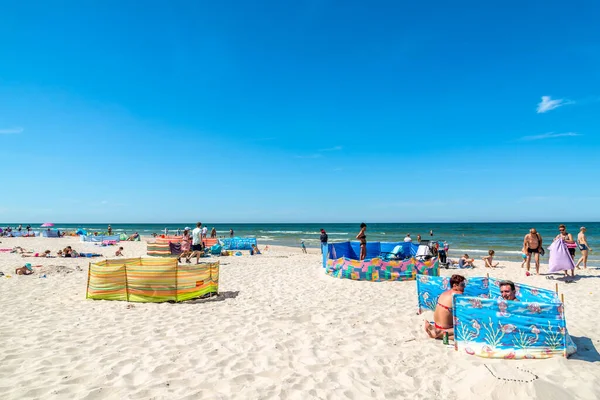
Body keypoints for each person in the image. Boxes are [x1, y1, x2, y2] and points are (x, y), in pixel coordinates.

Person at [424, 274, 466, 339]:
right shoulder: (458, 295)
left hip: (437, 324)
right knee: (465, 331)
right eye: (462, 285)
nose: (464, 287)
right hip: (446, 327)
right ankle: (440, 333)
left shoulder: (444, 293)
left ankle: (437, 331)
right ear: (454, 285)